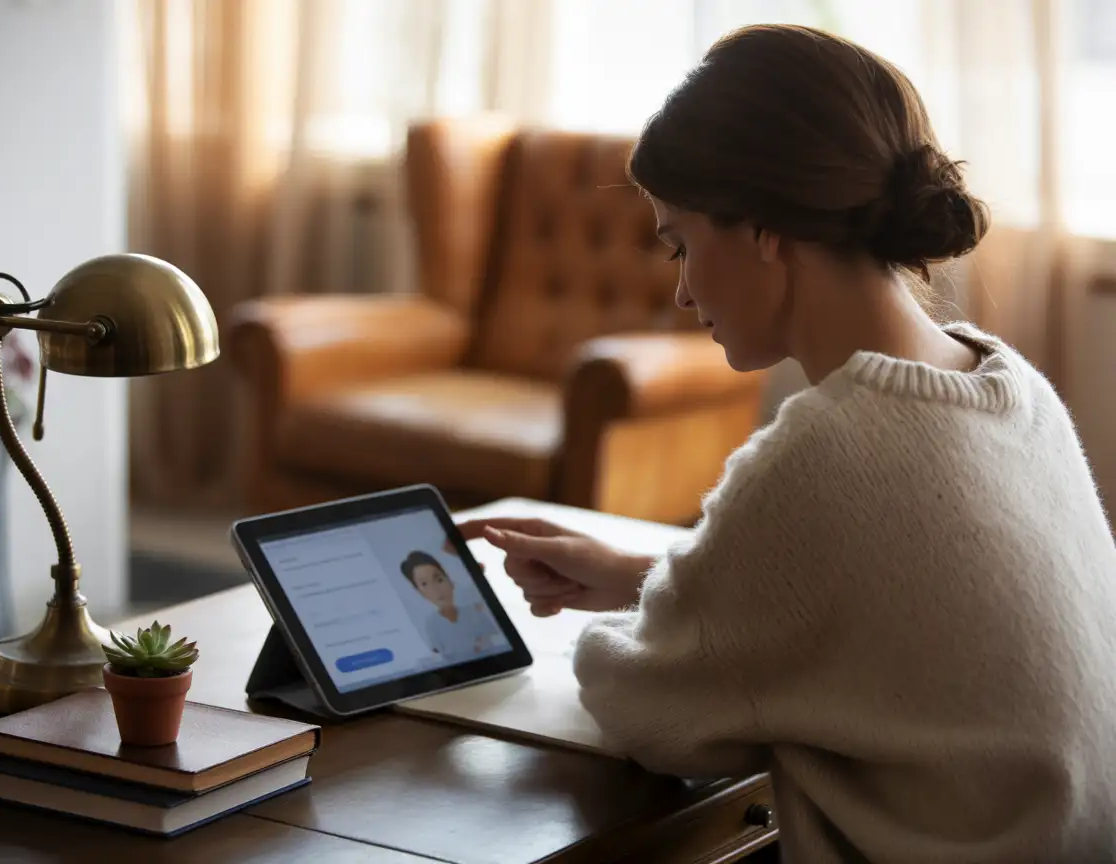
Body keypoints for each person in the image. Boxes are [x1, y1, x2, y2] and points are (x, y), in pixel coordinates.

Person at [456, 24, 1116, 864]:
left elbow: (649, 712)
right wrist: (644, 580)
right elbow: (891, 614)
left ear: (765, 228)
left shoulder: (828, 451)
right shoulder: (1010, 389)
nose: (684, 288)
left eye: (683, 243)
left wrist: (609, 634)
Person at [399, 550, 500, 662]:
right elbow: (437, 653)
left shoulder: (475, 611)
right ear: (419, 592)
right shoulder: (431, 624)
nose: (435, 589)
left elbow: (495, 638)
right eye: (424, 584)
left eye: (439, 579)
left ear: (449, 580)